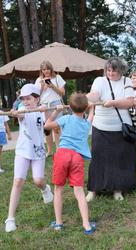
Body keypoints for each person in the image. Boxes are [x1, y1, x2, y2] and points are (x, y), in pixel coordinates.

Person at [86, 57, 136, 202]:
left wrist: (113, 103)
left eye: (114, 70)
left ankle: (117, 189)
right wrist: (85, 98)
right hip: (100, 127)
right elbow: (95, 94)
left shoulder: (127, 81)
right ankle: (93, 190)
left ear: (121, 70)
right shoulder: (99, 81)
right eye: (108, 70)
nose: (110, 73)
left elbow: (129, 102)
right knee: (97, 158)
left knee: (120, 159)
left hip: (121, 128)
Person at [44, 93, 96, 235]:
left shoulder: (66, 118)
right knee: (79, 192)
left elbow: (47, 125)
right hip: (77, 158)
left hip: (62, 155)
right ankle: (86, 225)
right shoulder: (86, 124)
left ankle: (59, 223)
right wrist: (91, 108)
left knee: (58, 190)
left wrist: (56, 111)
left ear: (70, 107)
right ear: (85, 108)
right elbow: (91, 115)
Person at [5, 84, 53, 233]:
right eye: (23, 99)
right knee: (18, 181)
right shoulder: (22, 109)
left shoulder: (41, 109)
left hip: (38, 151)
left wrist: (47, 113)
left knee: (38, 181)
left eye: (28, 98)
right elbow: (20, 114)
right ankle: (10, 219)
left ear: (37, 99)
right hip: (22, 151)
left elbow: (48, 127)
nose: (25, 101)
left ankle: (45, 190)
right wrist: (15, 113)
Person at [35, 60, 66, 157]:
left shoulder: (57, 77)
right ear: (41, 70)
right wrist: (42, 88)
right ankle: (49, 150)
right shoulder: (38, 80)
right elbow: (36, 96)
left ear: (51, 69)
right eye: (44, 69)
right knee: (47, 129)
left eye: (48, 69)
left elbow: (62, 93)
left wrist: (52, 86)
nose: (46, 71)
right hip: (44, 105)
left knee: (56, 127)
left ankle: (58, 149)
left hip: (56, 104)